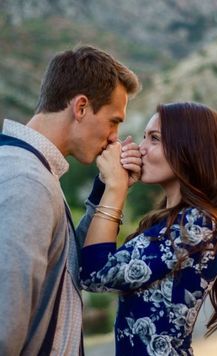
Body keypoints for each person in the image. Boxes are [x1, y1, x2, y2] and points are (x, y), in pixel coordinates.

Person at [0, 45, 141, 355]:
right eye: (113, 121)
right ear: (80, 107)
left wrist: (107, 187)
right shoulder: (27, 181)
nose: (115, 137)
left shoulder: (35, 171)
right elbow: (5, 330)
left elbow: (66, 270)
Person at [80, 102, 217, 355]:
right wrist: (104, 185)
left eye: (154, 139)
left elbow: (95, 273)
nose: (140, 150)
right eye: (143, 137)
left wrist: (115, 189)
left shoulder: (198, 224)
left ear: (190, 148)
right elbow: (85, 260)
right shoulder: (171, 222)